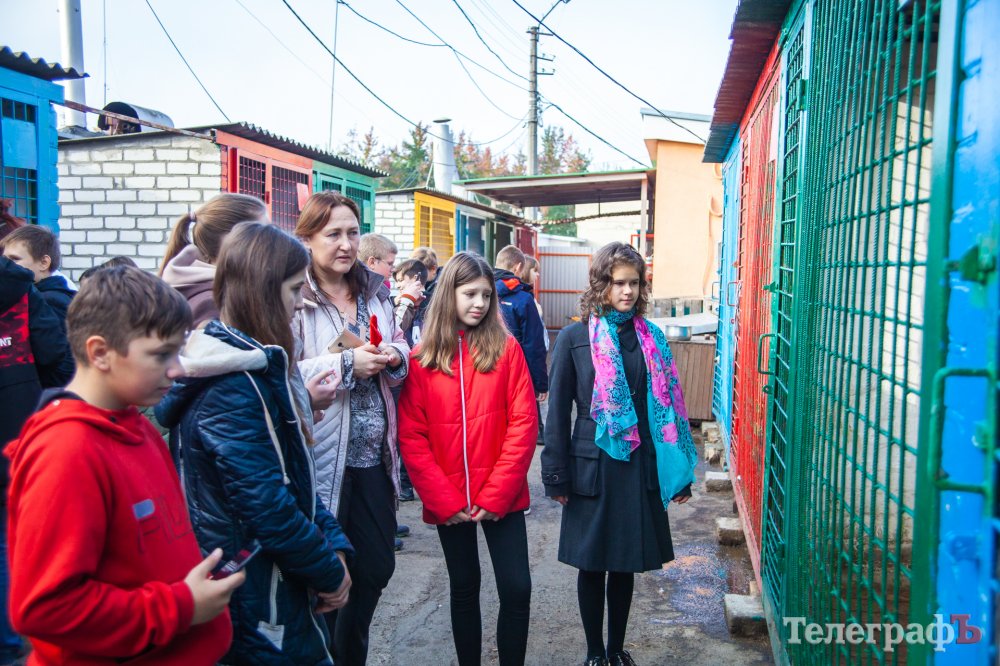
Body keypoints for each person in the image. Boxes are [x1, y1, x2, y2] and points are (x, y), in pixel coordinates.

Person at [5, 266, 242, 664]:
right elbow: (46, 608)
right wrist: (180, 605)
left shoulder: (137, 425)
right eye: (161, 355)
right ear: (100, 353)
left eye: (179, 352)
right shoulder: (67, 451)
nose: (178, 370)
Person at [156, 222, 353, 664]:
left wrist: (334, 544)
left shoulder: (255, 366)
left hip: (271, 580)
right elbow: (268, 506)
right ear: (262, 291)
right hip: (255, 591)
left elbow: (295, 481)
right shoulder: (232, 386)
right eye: (294, 289)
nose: (300, 302)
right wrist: (328, 570)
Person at [540, 242, 697, 666]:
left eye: (634, 283)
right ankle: (594, 652)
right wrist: (555, 475)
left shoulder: (652, 339)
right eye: (617, 282)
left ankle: (615, 649)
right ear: (600, 284)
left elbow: (668, 410)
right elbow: (557, 413)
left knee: (624, 563)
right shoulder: (575, 338)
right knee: (592, 564)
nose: (627, 291)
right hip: (592, 467)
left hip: (638, 465)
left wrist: (677, 473)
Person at [399, 251, 537, 666]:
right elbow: (413, 437)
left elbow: (523, 424)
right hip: (450, 499)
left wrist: (496, 494)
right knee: (464, 586)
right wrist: (443, 499)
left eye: (486, 295)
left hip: (502, 495)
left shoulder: (507, 350)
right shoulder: (422, 359)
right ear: (449, 295)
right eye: (470, 294)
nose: (479, 303)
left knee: (517, 588)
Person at [292, 191, 410, 666]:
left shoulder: (374, 292)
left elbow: (400, 340)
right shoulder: (295, 297)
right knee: (327, 581)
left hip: (375, 458)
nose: (346, 244)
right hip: (325, 463)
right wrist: (346, 364)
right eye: (333, 234)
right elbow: (283, 373)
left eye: (352, 233)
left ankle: (349, 653)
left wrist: (395, 354)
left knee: (376, 567)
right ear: (307, 238)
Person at [159, 193, 268, 326]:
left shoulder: (219, 292)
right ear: (230, 240)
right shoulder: (211, 304)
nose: (270, 243)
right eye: (260, 236)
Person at [494, 245, 548, 449]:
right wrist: (540, 383)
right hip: (517, 375)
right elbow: (534, 345)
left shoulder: (480, 292)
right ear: (518, 267)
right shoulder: (524, 299)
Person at [1, 225, 75, 322]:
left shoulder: (50, 301)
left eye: (14, 259)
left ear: (44, 263)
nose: (6, 265)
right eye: (4, 259)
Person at [391, 258, 428, 348]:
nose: (397, 286)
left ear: (416, 278)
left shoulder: (433, 303)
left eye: (400, 280)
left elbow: (395, 329)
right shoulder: (397, 302)